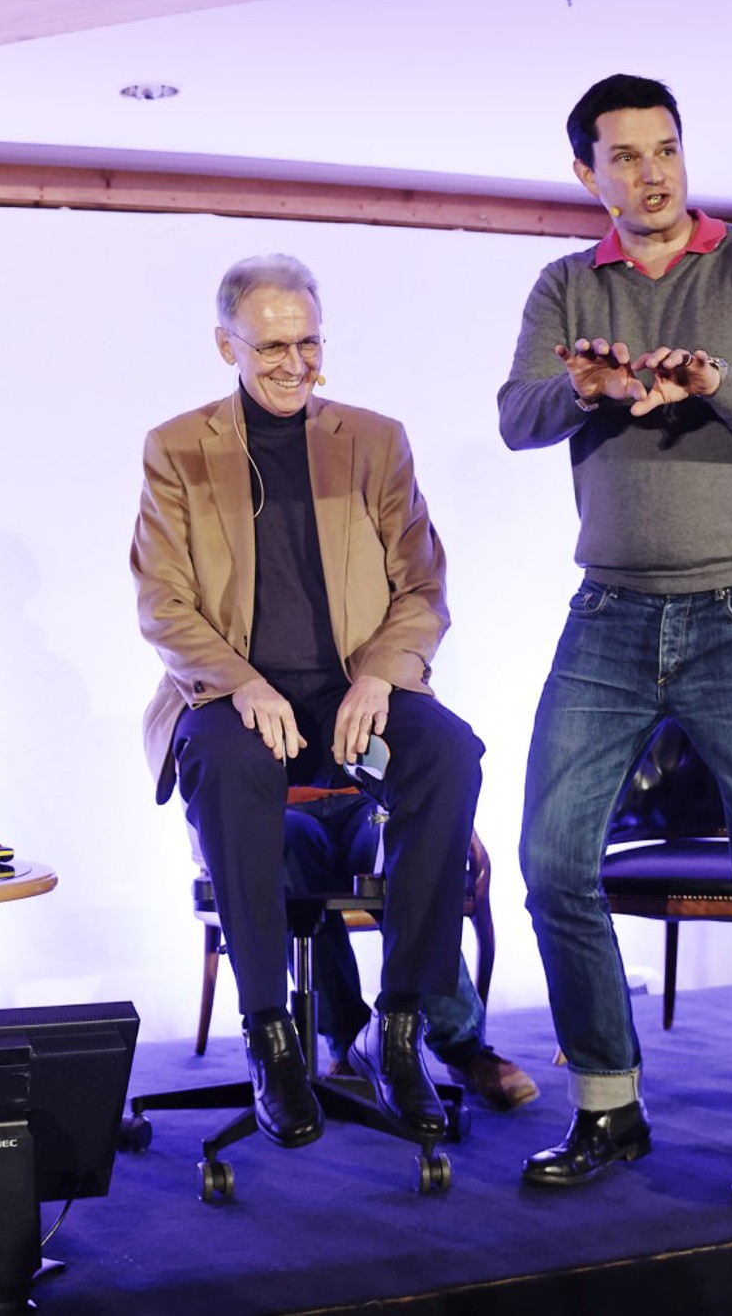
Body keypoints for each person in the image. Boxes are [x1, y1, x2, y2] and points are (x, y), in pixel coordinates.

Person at [496, 74, 732, 1204]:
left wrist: (716, 380)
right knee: (552, 862)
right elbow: (516, 415)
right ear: (585, 173)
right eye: (626, 156)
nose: (651, 173)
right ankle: (608, 1106)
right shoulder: (565, 283)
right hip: (610, 612)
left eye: (666, 149)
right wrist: (587, 390)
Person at [133, 254, 485, 1148]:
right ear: (227, 345)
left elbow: (423, 587)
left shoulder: (375, 439)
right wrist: (242, 682)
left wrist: (380, 674)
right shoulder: (178, 447)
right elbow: (163, 603)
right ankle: (271, 1036)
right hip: (233, 690)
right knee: (230, 758)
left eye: (310, 343)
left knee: (450, 752)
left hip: (352, 691)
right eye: (272, 347)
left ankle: (396, 1028)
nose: (296, 364)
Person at [283, 792, 539, 1111]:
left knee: (408, 842)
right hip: (285, 805)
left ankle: (463, 1049)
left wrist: (458, 820)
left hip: (370, 801)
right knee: (280, 845)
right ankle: (348, 1045)